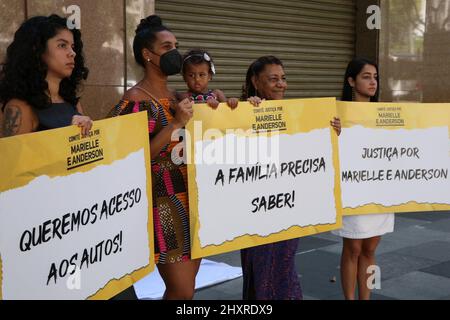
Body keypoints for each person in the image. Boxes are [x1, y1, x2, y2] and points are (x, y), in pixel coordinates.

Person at [108, 15, 200, 300]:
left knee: (187, 288)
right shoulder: (135, 100)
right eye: (166, 46)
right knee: (181, 290)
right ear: (148, 55)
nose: (175, 53)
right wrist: (174, 124)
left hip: (193, 200)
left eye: (176, 45)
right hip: (165, 204)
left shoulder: (178, 95)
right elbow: (127, 158)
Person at [240, 55, 341, 300]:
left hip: (286, 210)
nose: (281, 84)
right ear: (255, 82)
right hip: (256, 212)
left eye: (283, 78)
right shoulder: (242, 113)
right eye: (273, 79)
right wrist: (246, 112)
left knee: (283, 268)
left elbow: (307, 156)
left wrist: (331, 133)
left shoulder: (293, 115)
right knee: (260, 271)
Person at [332, 57, 395, 300]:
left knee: (370, 248)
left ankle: (366, 297)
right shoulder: (337, 114)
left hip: (379, 188)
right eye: (366, 77)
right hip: (353, 189)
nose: (372, 82)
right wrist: (334, 132)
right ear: (351, 80)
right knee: (353, 248)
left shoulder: (386, 114)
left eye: (375, 77)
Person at [0, 15, 92, 137]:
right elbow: (11, 156)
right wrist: (68, 135)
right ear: (37, 49)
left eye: (72, 46)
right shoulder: (19, 107)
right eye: (62, 45)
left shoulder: (73, 102)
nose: (72, 53)